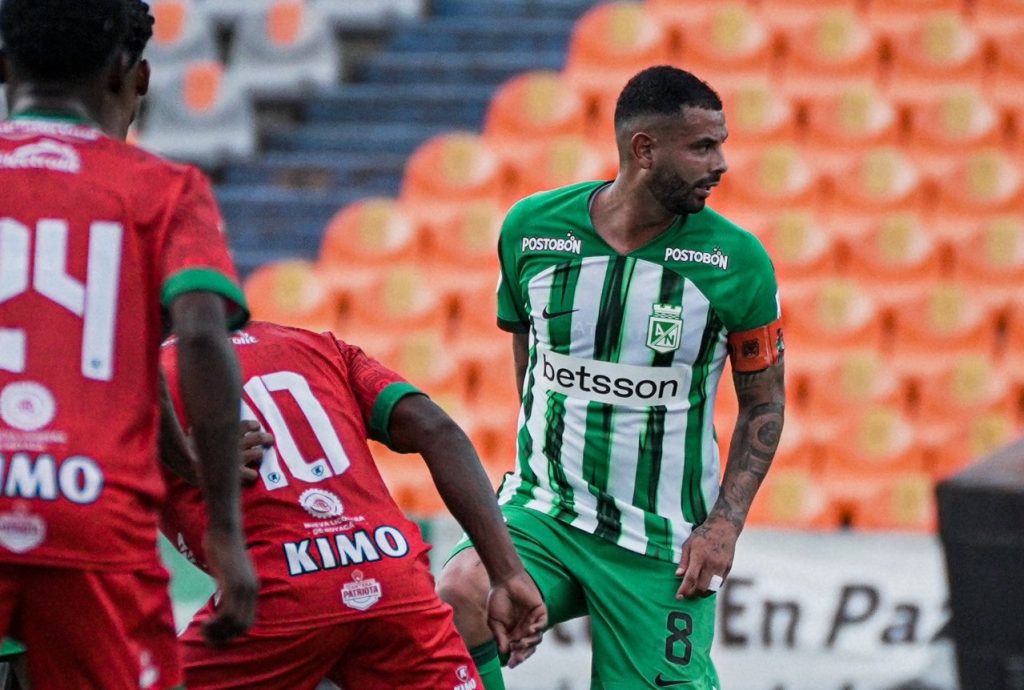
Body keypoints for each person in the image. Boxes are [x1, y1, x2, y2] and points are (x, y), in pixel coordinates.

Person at [438, 65, 787, 690]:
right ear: (644, 149)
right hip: (543, 513)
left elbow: (764, 406)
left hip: (662, 543)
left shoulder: (737, 261)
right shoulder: (531, 231)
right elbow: (530, 361)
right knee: (456, 600)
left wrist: (723, 526)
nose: (721, 163)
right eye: (703, 146)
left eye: (721, 143)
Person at [0, 0, 258, 688]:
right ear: (133, 78)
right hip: (93, 516)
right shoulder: (163, 189)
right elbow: (201, 336)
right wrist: (224, 531)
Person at [158, 320, 548, 690]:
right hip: (391, 576)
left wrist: (183, 455)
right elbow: (438, 429)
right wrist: (507, 572)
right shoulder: (318, 347)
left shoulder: (138, 381)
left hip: (279, 595)